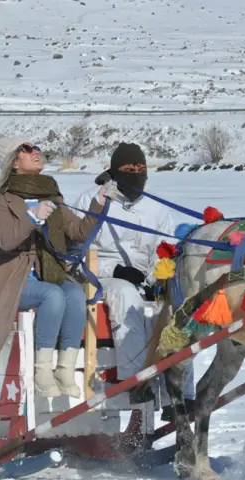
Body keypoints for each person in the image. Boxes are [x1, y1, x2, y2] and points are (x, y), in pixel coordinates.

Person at [0, 134, 110, 398]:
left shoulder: (50, 192)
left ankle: (65, 370)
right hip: (13, 276)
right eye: (26, 149)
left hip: (50, 271)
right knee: (53, 295)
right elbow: (5, 240)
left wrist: (99, 204)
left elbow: (80, 232)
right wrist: (30, 217)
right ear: (13, 162)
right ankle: (42, 371)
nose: (36, 151)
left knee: (74, 294)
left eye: (36, 147)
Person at [72, 142, 195, 417]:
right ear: (115, 171)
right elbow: (75, 253)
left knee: (180, 308)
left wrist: (157, 278)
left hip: (143, 279)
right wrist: (114, 270)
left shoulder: (157, 209)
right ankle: (137, 380)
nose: (137, 174)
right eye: (129, 169)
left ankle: (181, 396)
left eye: (141, 169)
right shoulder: (93, 201)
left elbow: (166, 250)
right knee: (125, 294)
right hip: (99, 278)